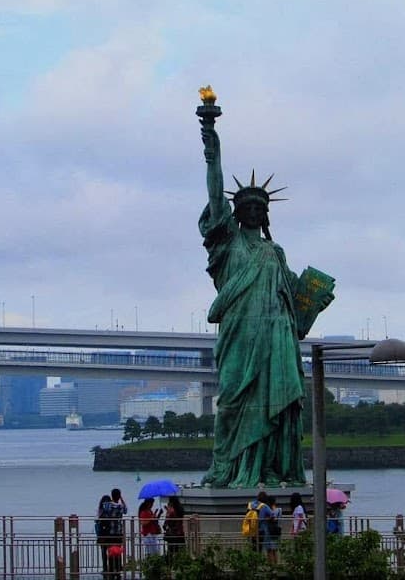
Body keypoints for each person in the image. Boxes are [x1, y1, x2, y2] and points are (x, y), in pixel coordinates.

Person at [198, 118, 334, 488]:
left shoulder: (275, 252)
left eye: (260, 207)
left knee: (281, 404)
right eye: (248, 206)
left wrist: (315, 298)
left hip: (276, 339)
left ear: (266, 213)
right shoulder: (228, 245)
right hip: (240, 336)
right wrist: (213, 150)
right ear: (236, 213)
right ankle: (231, 467)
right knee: (231, 403)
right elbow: (215, 196)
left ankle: (271, 468)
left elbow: (294, 304)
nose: (254, 211)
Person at [107, 488, 127, 580]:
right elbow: (126, 510)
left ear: (112, 496)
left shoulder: (108, 506)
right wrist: (122, 499)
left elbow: (103, 510)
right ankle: (118, 571)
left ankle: (111, 571)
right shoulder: (120, 507)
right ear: (119, 496)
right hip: (118, 532)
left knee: (111, 552)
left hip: (110, 533)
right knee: (118, 552)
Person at [162, 496, 185, 561]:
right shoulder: (180, 509)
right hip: (180, 533)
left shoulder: (171, 511)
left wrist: (167, 513)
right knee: (180, 551)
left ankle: (170, 565)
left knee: (171, 551)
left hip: (173, 534)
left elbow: (166, 523)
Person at [263, 495, 282, 564]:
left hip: (269, 531)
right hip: (276, 531)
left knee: (269, 550)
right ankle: (276, 565)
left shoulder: (268, 510)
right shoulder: (279, 510)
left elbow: (270, 518)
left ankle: (271, 566)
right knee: (274, 550)